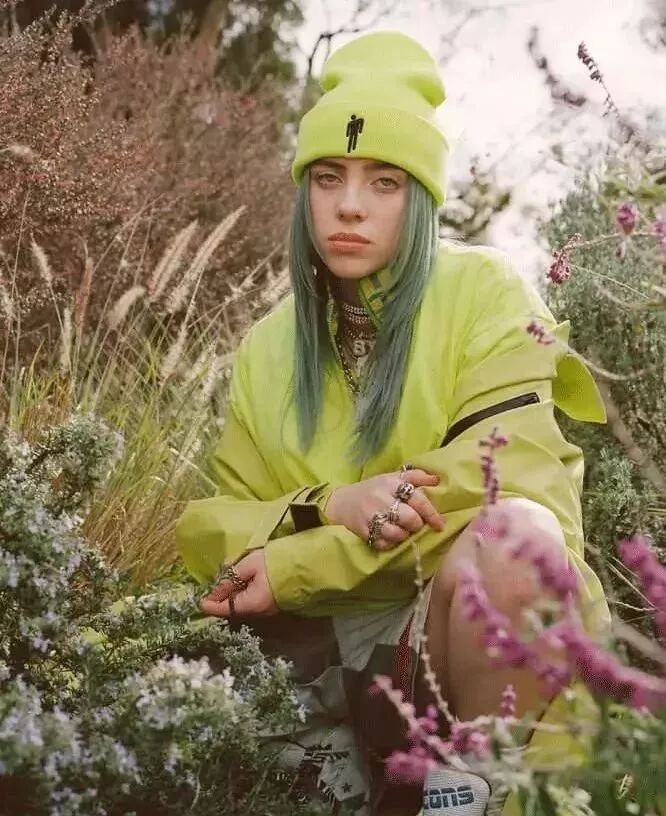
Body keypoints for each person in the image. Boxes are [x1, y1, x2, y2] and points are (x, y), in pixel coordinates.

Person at [175, 31, 612, 816]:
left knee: (517, 541)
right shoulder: (266, 348)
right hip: (320, 670)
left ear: (422, 199)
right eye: (328, 178)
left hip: (454, 656)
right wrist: (330, 503)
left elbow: (505, 483)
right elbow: (218, 533)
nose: (349, 205)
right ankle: (327, 776)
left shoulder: (486, 293)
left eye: (385, 181)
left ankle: (474, 793)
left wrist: (301, 560)